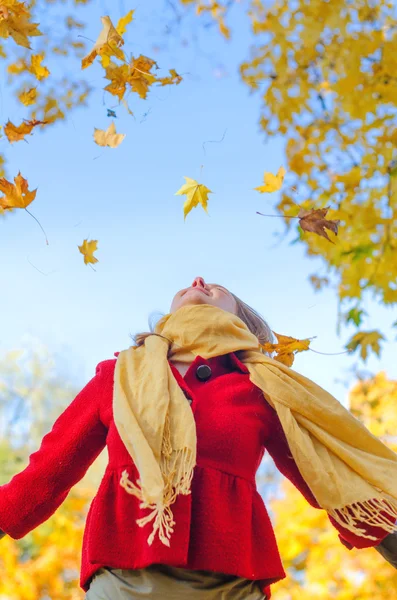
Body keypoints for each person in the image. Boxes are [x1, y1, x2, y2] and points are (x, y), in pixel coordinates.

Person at [0, 276, 396, 600]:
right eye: (188, 284)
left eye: (220, 288)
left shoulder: (263, 389)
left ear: (245, 322)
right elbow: (47, 472)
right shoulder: (119, 375)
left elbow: (326, 477)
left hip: (231, 584)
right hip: (124, 580)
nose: (199, 280)